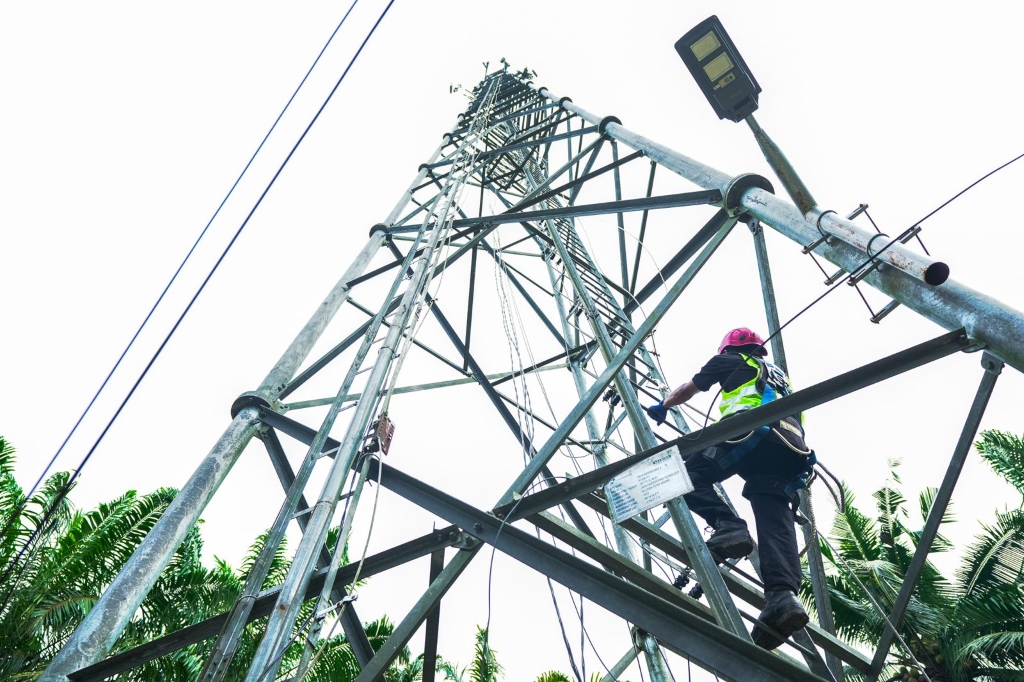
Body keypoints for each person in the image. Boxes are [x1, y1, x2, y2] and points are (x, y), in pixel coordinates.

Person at [645, 327, 814, 649]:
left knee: (681, 473)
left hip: (752, 430)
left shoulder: (730, 360)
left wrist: (664, 404)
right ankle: (783, 598)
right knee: (775, 519)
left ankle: (728, 527)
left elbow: (687, 390)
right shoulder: (779, 377)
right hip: (791, 449)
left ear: (728, 349)